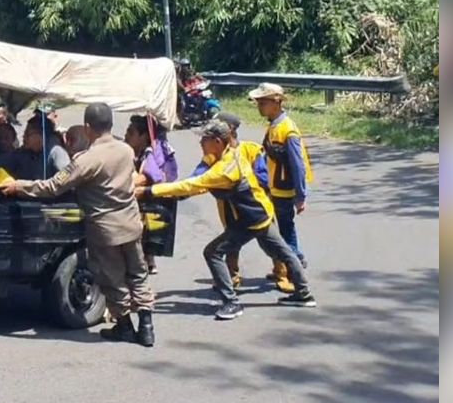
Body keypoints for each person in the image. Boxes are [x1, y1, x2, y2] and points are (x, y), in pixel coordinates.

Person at [0, 103, 156, 347]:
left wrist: (19, 186)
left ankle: (124, 326)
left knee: (112, 279)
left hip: (106, 229)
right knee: (138, 273)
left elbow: (52, 187)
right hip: (132, 224)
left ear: (88, 127)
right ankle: (146, 328)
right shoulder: (125, 150)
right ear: (111, 124)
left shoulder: (86, 160)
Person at [136, 120, 317, 320]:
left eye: (204, 139)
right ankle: (304, 293)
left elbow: (193, 184)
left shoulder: (224, 169)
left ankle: (231, 302)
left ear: (217, 141)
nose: (201, 143)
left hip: (249, 220)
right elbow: (200, 179)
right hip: (261, 213)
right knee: (284, 251)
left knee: (212, 252)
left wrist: (148, 191)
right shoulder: (231, 154)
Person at [249, 83, 315, 292]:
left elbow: (298, 165)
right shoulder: (274, 125)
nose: (259, 106)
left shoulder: (288, 130)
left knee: (284, 231)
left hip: (285, 191)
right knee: (283, 229)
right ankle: (295, 260)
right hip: (274, 188)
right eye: (258, 103)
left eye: (263, 102)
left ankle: (293, 270)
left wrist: (301, 195)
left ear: (276, 103)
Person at [208, 112, 269, 289]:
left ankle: (283, 273)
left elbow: (263, 178)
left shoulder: (251, 149)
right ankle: (231, 275)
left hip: (253, 206)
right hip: (227, 205)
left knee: (269, 241)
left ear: (230, 130)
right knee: (230, 240)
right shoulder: (215, 152)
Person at [124, 115, 178, 275]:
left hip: (155, 199)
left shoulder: (150, 151)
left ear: (144, 136)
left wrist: (118, 186)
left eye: (131, 132)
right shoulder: (152, 148)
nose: (126, 135)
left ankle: (142, 264)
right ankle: (148, 259)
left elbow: (148, 177)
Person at [0, 118, 70, 180]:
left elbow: (67, 179)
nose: (23, 137)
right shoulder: (23, 153)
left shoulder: (57, 152)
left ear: (41, 136)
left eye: (28, 134)